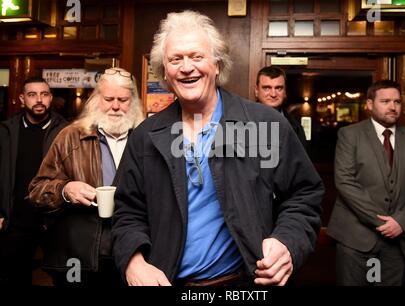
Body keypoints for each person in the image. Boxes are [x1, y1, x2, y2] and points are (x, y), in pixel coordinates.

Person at [111, 10, 324, 286]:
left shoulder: (265, 124)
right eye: (176, 59)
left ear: (217, 65)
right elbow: (126, 211)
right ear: (165, 72)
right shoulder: (145, 137)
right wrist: (134, 261)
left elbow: (304, 194)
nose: (186, 67)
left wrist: (287, 242)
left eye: (197, 56)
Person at [28, 67, 144, 287]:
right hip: (79, 256)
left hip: (131, 253)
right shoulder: (70, 136)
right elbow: (36, 190)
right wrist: (65, 190)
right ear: (95, 99)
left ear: (134, 102)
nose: (116, 106)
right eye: (108, 98)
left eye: (123, 99)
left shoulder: (145, 137)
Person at [327, 79, 405, 286]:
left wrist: (401, 222)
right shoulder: (349, 135)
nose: (392, 107)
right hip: (355, 239)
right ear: (369, 104)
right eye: (385, 101)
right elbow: (345, 182)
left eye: (397, 102)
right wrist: (384, 223)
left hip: (399, 241)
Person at [0, 77, 67, 285]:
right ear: (22, 99)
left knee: (65, 277)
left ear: (51, 98)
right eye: (32, 95)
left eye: (44, 94)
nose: (39, 100)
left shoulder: (66, 131)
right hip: (15, 221)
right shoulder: (5, 131)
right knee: (15, 277)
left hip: (54, 220)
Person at [254, 66, 309, 154]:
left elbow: (301, 163)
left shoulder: (296, 126)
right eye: (267, 88)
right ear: (256, 91)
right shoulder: (243, 122)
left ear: (285, 92)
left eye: (278, 88)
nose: (273, 94)